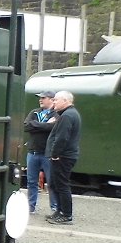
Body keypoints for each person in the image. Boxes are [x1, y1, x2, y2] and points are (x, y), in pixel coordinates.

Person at [46, 91, 81, 224]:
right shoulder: (69, 114)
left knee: (62, 185)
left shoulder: (67, 116)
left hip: (63, 156)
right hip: (64, 155)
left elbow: (62, 138)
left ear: (65, 101)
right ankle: (59, 211)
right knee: (55, 184)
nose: (53, 102)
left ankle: (66, 215)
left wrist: (55, 154)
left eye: (56, 100)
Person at [23, 91, 58, 215]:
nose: (40, 100)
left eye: (44, 98)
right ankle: (30, 206)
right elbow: (26, 126)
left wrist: (36, 126)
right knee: (31, 181)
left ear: (52, 100)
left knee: (52, 181)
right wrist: (45, 125)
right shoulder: (34, 112)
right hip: (32, 152)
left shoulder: (57, 114)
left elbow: (53, 128)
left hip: (47, 154)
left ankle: (54, 207)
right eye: (40, 98)